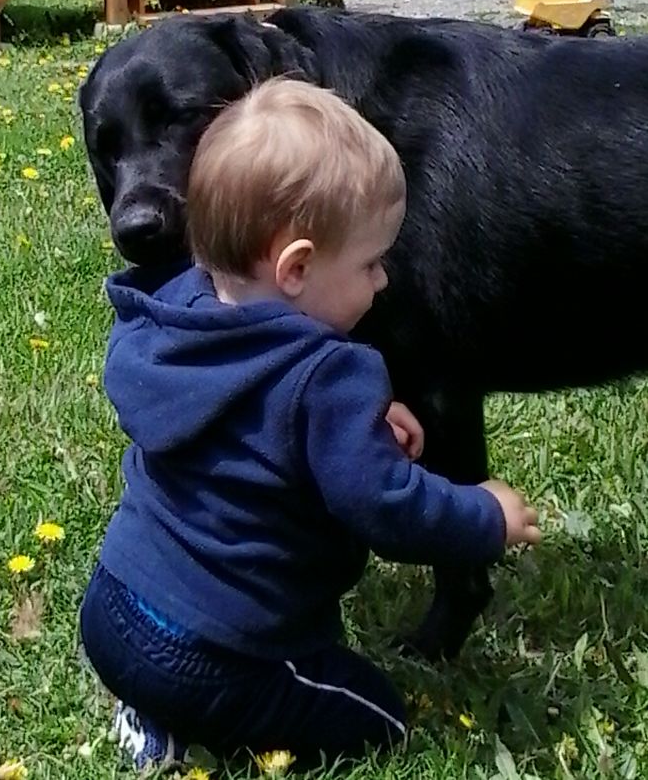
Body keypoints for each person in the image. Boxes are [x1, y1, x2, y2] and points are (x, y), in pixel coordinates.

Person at [80, 78, 541, 771]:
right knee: (380, 716)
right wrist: (484, 515)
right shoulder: (329, 377)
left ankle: (151, 713)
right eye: (370, 262)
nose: (383, 280)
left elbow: (255, 418)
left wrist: (365, 422)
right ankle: (180, 718)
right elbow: (389, 506)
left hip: (112, 610)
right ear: (296, 267)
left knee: (171, 664)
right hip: (218, 655)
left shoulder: (172, 318)